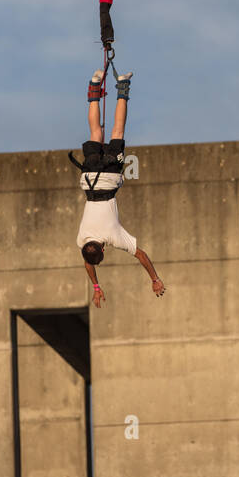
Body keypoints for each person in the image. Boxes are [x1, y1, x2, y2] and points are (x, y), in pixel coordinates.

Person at [74, 66, 165, 308]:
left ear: (103, 251)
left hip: (110, 178)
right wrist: (95, 285)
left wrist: (155, 279)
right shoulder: (82, 239)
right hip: (90, 178)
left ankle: (123, 87)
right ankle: (94, 86)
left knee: (117, 131)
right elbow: (87, 261)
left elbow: (142, 256)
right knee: (96, 132)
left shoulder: (113, 237)